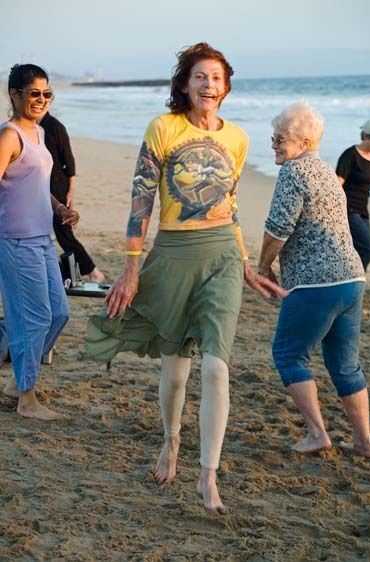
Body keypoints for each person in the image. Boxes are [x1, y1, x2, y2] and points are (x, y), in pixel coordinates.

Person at [86, 43, 285, 515]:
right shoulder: (163, 129)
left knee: (217, 366)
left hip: (220, 255)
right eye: (199, 77)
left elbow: (231, 206)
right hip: (173, 254)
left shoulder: (237, 139)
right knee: (175, 373)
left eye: (216, 78)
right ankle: (170, 442)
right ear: (184, 83)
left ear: (226, 86)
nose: (208, 86)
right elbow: (141, 202)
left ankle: (207, 477)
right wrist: (131, 269)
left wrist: (243, 263)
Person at [258, 101, 370, 458]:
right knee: (345, 365)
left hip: (315, 284)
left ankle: (316, 434)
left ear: (304, 142)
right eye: (273, 137)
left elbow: (278, 228)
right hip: (352, 280)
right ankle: (364, 442)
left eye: (281, 139)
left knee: (288, 354)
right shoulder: (324, 170)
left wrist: (263, 268)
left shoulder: (294, 172)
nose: (274, 144)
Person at [0, 64, 79, 420]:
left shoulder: (40, 133)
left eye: (47, 94)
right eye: (34, 93)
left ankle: (19, 380)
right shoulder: (9, 136)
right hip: (16, 241)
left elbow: (33, 184)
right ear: (14, 95)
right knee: (32, 317)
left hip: (43, 238)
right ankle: (26, 399)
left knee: (59, 312)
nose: (41, 100)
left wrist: (59, 206)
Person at [40, 112, 105, 282]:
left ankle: (93, 271)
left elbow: (69, 161)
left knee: (64, 233)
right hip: (40, 186)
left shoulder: (55, 126)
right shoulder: (32, 127)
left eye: (46, 96)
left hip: (58, 186)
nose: (41, 101)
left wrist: (71, 191)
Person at [336, 119, 370, 271]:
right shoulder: (350, 155)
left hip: (363, 211)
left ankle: (353, 283)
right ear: (366, 136)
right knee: (369, 249)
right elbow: (337, 184)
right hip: (348, 208)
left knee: (359, 251)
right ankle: (354, 280)